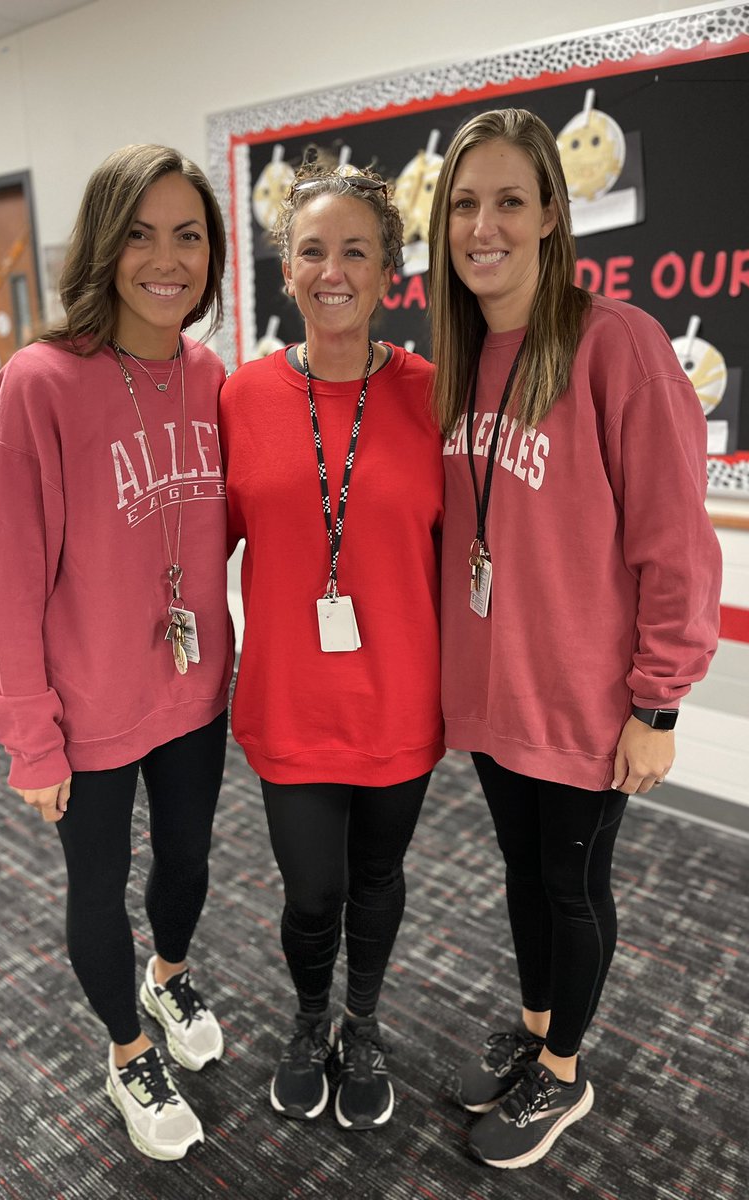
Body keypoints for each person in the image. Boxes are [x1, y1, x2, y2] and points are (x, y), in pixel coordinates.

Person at [427, 109, 722, 1169]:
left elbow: (676, 539)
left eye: (510, 199)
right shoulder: (462, 353)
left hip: (589, 698)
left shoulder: (617, 342)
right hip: (498, 691)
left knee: (572, 882)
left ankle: (565, 1080)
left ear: (554, 212)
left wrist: (658, 703)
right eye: (464, 203)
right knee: (522, 870)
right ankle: (542, 1029)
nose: (484, 225)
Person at [0, 145, 233, 1162]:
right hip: (88, 711)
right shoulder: (39, 383)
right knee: (99, 887)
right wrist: (28, 738)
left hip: (196, 693)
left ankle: (166, 985)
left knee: (189, 865)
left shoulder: (210, 375)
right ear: (103, 245)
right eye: (140, 233)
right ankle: (127, 1050)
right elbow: (7, 580)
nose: (165, 259)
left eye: (189, 235)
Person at [219, 165, 444, 1131]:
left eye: (357, 250)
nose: (334, 269)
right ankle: (310, 1019)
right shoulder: (240, 397)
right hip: (291, 702)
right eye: (314, 250)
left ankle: (364, 1021)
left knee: (379, 878)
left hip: (399, 698)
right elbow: (182, 544)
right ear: (287, 271)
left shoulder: (437, 396)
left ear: (390, 271)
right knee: (312, 889)